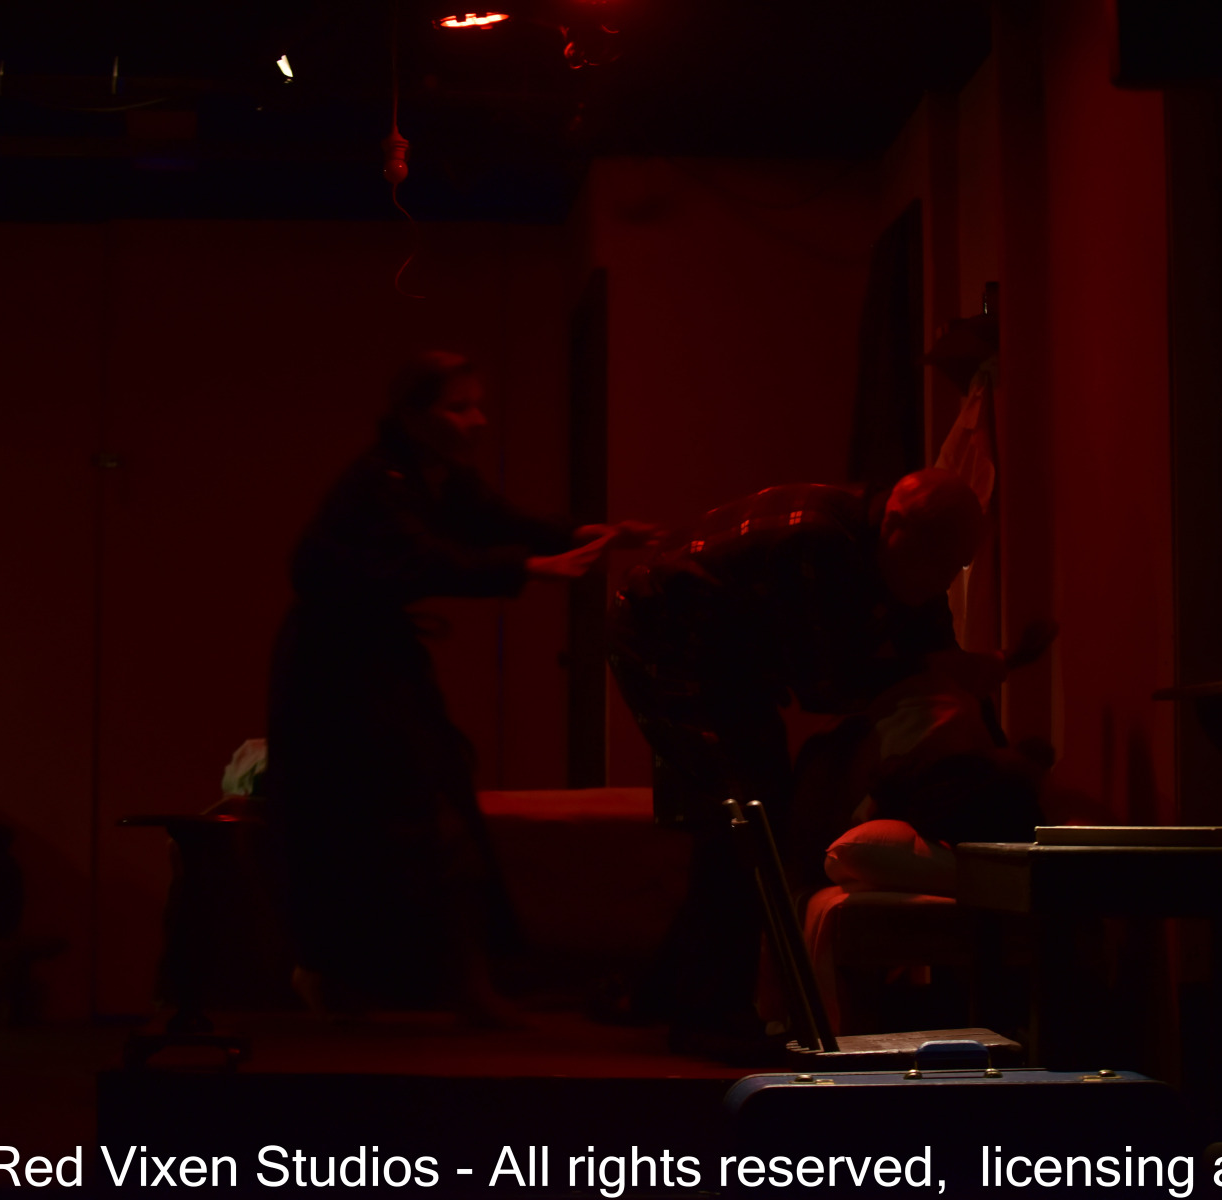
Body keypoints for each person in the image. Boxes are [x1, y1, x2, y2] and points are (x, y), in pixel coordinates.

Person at [266, 351, 652, 1023]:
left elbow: (497, 519)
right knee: (385, 807)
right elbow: (427, 557)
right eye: (458, 407)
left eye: (478, 405)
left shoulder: (435, 474)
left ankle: (448, 981)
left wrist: (591, 534)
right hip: (336, 671)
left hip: (373, 657)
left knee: (429, 794)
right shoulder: (378, 482)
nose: (477, 421)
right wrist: (530, 567)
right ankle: (379, 978)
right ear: (413, 415)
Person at [606, 470, 1032, 1055]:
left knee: (750, 815)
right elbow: (826, 686)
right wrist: (935, 672)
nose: (941, 579)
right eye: (935, 561)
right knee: (742, 815)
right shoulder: (816, 544)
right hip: (667, 638)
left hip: (731, 655)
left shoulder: (914, 565)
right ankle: (705, 1015)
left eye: (955, 567)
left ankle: (664, 994)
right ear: (894, 525)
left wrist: (975, 700)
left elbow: (934, 662)